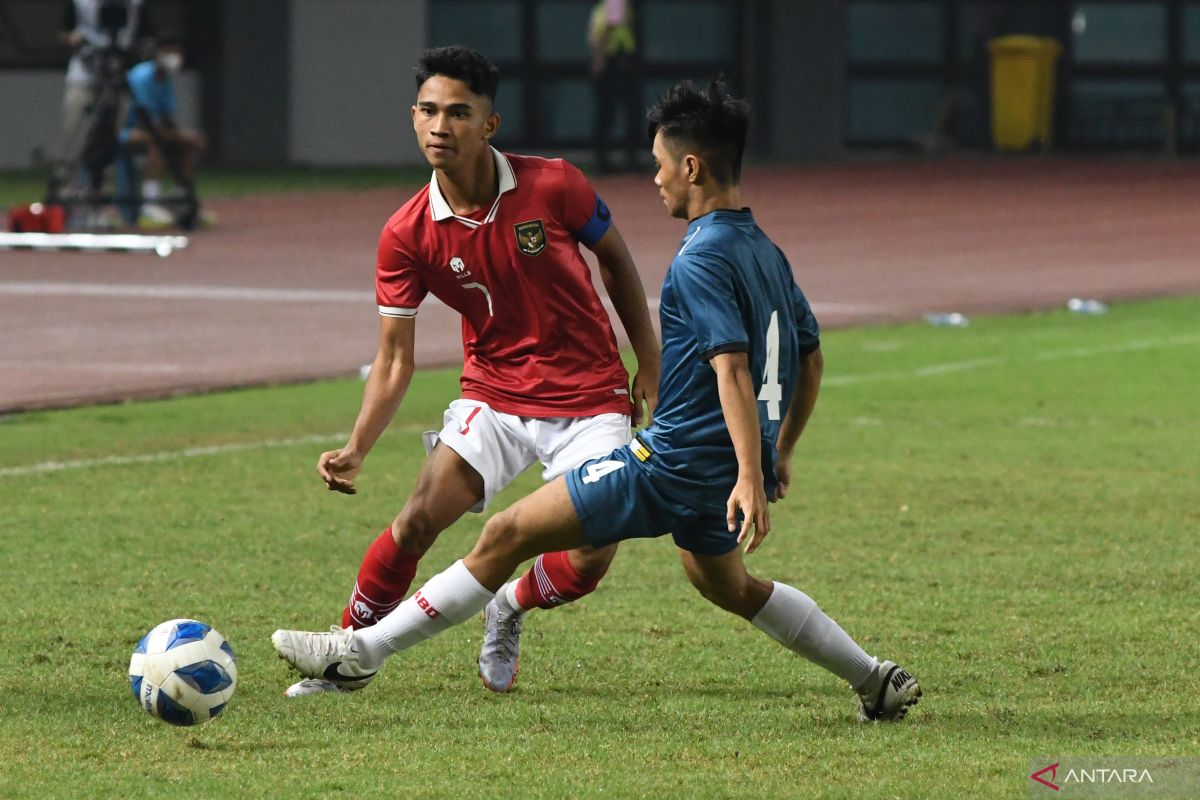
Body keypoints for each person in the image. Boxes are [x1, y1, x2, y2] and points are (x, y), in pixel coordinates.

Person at [273, 80, 923, 723]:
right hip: (721, 472)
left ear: (691, 166)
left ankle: (357, 655)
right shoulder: (766, 252)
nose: (656, 180)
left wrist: (755, 472)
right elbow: (809, 358)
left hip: (675, 465)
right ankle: (874, 679)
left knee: (505, 533)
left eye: (660, 166)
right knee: (727, 585)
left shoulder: (699, 258)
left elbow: (730, 366)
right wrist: (777, 454)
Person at [280, 45, 660, 698]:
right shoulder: (406, 234)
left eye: (458, 113)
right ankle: (345, 660)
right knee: (418, 518)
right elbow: (396, 356)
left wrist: (648, 363)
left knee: (593, 555)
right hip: (494, 396)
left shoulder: (556, 184)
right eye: (428, 111)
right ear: (413, 117)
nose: (439, 126)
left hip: (591, 400)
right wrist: (357, 446)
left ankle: (509, 604)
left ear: (490, 125)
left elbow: (618, 265)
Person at [119, 38, 207, 228]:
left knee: (189, 144)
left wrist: (183, 136)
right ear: (158, 52)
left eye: (178, 52)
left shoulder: (164, 79)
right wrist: (174, 135)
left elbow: (167, 117)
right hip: (128, 130)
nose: (175, 57)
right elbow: (145, 118)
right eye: (170, 51)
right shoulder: (141, 76)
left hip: (153, 130)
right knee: (154, 142)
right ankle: (149, 205)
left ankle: (181, 199)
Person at [56, 0, 155, 164]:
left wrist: (139, 52)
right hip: (85, 71)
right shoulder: (81, 4)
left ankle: (102, 176)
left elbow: (146, 36)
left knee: (114, 129)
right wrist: (72, 39)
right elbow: (63, 33)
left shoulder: (135, 5)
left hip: (120, 70)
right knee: (74, 125)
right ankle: (65, 174)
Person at [588, 0, 640, 173]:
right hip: (616, 61)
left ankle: (603, 159)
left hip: (615, 61)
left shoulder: (603, 7)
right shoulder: (615, 3)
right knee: (613, 111)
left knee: (608, 111)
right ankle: (613, 159)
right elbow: (607, 30)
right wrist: (600, 58)